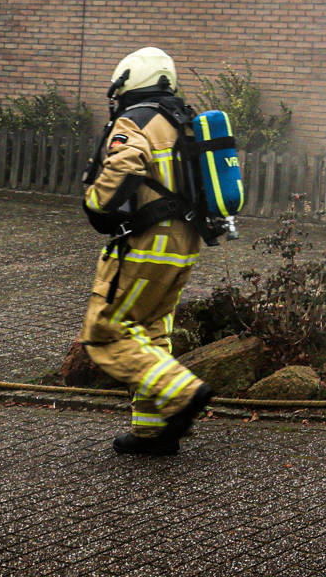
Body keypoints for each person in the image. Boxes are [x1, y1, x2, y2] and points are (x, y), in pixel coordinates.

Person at [79, 47, 214, 454]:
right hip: (184, 244)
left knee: (106, 333)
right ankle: (152, 431)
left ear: (130, 79)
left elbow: (126, 163)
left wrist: (96, 203)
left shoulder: (136, 120)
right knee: (150, 331)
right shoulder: (181, 120)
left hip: (146, 244)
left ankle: (183, 394)